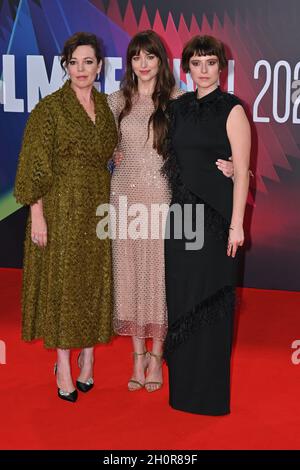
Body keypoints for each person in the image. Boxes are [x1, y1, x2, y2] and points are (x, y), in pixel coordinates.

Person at [107, 30, 234, 392]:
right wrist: (110, 156)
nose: (144, 64)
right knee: (129, 275)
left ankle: (158, 354)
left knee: (161, 277)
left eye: (151, 57)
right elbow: (100, 145)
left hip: (164, 199)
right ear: (129, 63)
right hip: (124, 200)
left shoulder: (179, 100)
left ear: (162, 61)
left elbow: (204, 141)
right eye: (136, 57)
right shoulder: (117, 101)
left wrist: (238, 167)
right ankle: (136, 356)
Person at [14, 32, 117, 402]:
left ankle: (87, 357)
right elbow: (33, 165)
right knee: (64, 285)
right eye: (74, 62)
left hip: (98, 206)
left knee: (93, 281)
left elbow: (114, 153)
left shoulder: (106, 107)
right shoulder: (50, 109)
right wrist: (37, 214)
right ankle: (62, 363)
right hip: (60, 206)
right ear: (65, 66)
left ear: (99, 66)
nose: (81, 69)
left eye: (88, 62)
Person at [162, 35, 251, 415]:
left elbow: (243, 172)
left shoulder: (233, 109)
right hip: (181, 218)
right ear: (187, 68)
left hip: (215, 222)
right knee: (181, 301)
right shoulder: (177, 108)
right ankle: (182, 390)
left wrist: (237, 225)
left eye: (210, 63)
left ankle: (209, 395)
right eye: (196, 63)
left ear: (221, 67)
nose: (203, 70)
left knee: (210, 302)